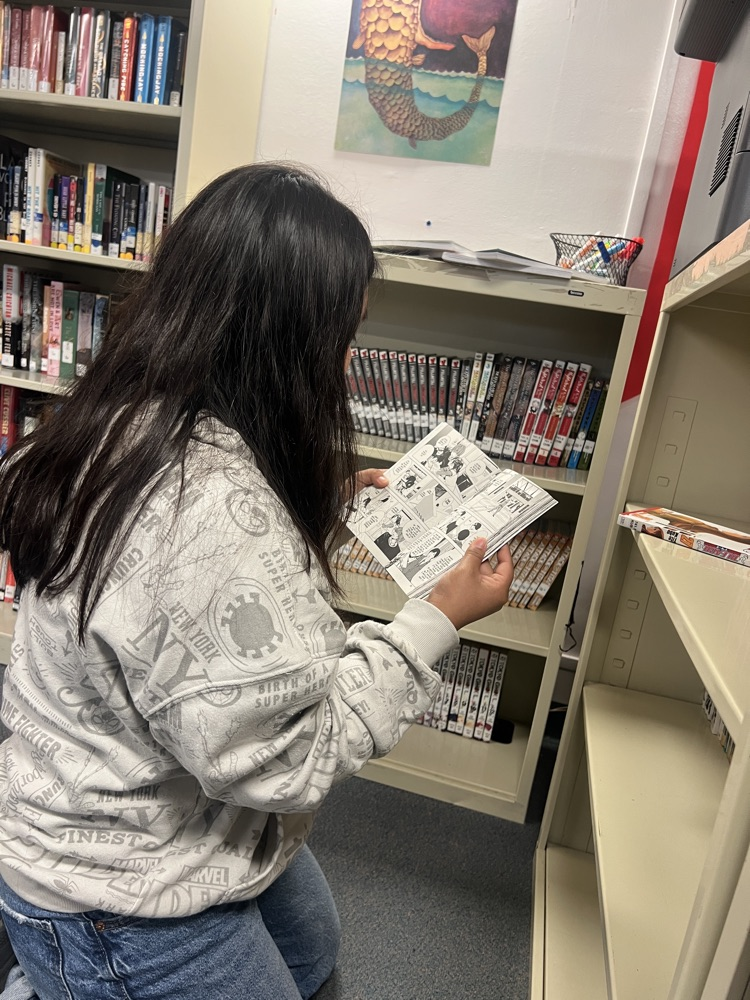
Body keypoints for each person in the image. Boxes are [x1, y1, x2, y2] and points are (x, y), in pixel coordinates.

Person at [0, 163, 513, 1000]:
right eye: (340, 340)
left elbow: (162, 577)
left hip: (142, 805)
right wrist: (435, 621)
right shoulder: (203, 509)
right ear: (285, 345)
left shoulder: (125, 419)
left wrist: (308, 504)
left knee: (312, 955)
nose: (346, 363)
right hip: (111, 887)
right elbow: (289, 758)